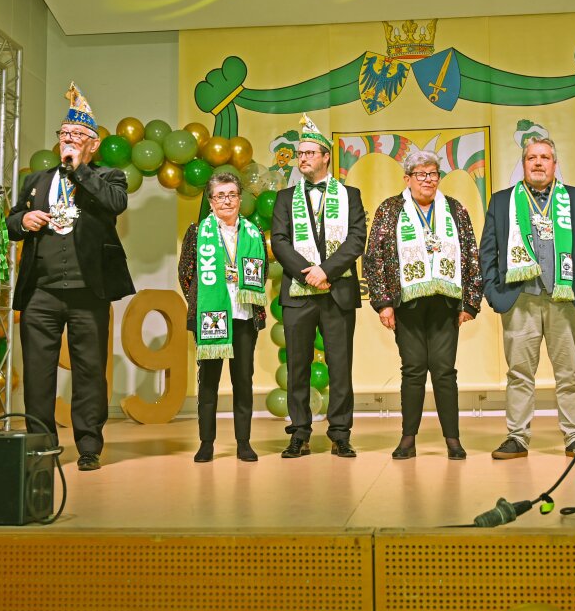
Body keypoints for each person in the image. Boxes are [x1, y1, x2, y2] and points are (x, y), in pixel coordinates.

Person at [7, 83, 135, 471]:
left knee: (89, 372)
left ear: (92, 145)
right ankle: (41, 445)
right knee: (38, 374)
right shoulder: (35, 181)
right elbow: (10, 223)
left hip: (88, 291)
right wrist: (24, 220)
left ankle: (89, 446)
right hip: (40, 292)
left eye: (78, 135)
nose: (69, 139)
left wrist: (78, 169)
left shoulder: (109, 176)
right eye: (64, 134)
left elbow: (114, 204)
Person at [480, 137, 575, 459]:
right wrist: (494, 293)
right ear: (523, 164)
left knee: (570, 373)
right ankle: (517, 437)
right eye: (532, 157)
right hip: (520, 298)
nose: (538, 163)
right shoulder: (502, 201)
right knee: (519, 374)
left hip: (565, 299)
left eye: (545, 157)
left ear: (554, 164)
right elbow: (487, 252)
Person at [363, 151, 482, 459]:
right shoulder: (390, 209)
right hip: (407, 304)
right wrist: (383, 303)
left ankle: (453, 439)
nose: (428, 180)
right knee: (413, 369)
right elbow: (374, 257)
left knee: (444, 371)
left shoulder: (454, 209)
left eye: (433, 174)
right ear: (407, 179)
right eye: (421, 174)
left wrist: (470, 301)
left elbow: (471, 252)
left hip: (446, 303)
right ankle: (408, 438)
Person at [270, 113, 366, 458]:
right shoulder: (285, 198)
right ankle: (299, 433)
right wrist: (306, 272)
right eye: (300, 154)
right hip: (298, 294)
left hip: (337, 291)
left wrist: (325, 271)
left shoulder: (350, 195)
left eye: (310, 153)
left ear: (326, 157)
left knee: (340, 366)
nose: (303, 158)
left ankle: (340, 433)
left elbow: (356, 239)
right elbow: (279, 241)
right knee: (298, 367)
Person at [179, 172, 268, 462]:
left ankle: (244, 443)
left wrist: (241, 277)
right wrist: (204, 299)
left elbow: (263, 271)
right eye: (220, 196)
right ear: (211, 201)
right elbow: (186, 273)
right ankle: (206, 443)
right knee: (208, 383)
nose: (226, 201)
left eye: (231, 195)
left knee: (243, 381)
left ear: (240, 199)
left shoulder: (253, 232)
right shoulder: (198, 232)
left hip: (244, 317)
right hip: (211, 316)